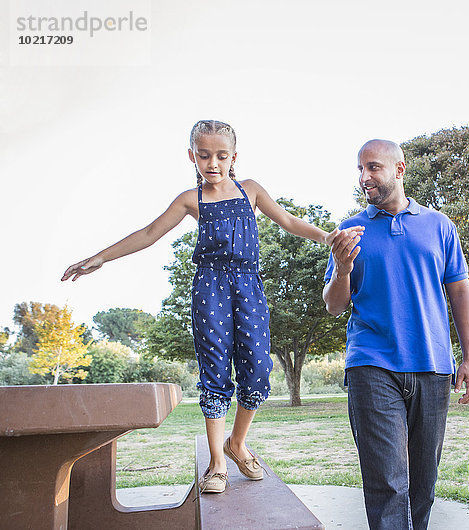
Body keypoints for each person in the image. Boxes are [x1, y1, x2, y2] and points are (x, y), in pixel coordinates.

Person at [62, 120, 363, 494]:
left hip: (248, 286)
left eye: (221, 156)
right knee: (215, 367)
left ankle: (236, 444)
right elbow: (148, 233)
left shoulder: (250, 190)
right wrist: (99, 258)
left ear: (234, 156)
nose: (213, 163)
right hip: (210, 288)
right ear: (192, 156)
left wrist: (326, 236)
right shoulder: (192, 200)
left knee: (257, 367)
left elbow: (287, 220)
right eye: (204, 156)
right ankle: (217, 462)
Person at [322, 139, 469, 530]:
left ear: (399, 169)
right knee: (388, 485)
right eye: (360, 169)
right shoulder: (349, 231)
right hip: (372, 365)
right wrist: (342, 269)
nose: (364, 177)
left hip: (433, 366)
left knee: (423, 485)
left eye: (373, 167)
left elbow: (460, 291)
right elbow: (333, 305)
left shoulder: (439, 226)